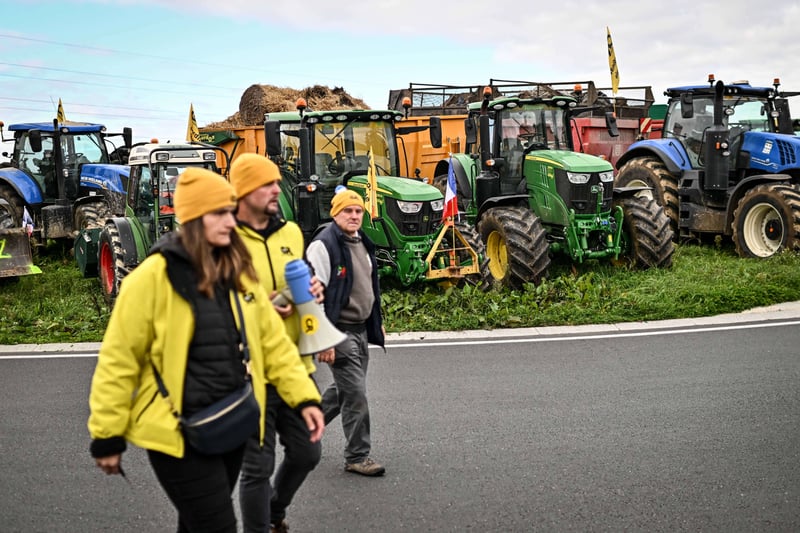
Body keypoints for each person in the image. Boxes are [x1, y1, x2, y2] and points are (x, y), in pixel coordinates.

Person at [87, 167, 325, 533]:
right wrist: (107, 433)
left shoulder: (237, 273)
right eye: (219, 213)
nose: (231, 221)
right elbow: (119, 361)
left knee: (197, 523)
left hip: (232, 422)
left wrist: (305, 399)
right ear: (194, 218)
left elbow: (274, 345)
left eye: (231, 211)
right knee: (216, 525)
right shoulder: (152, 278)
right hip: (179, 433)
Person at [230, 153, 322, 533]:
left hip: (295, 363)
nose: (275, 190)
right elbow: (211, 303)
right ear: (244, 191)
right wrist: (255, 308)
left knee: (308, 452)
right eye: (266, 184)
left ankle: (274, 511)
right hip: (248, 370)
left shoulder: (291, 233)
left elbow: (302, 280)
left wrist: (313, 292)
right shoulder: (224, 239)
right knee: (257, 467)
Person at [305, 187, 386, 477]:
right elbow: (312, 294)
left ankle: (304, 429)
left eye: (358, 211)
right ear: (334, 213)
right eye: (347, 211)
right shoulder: (323, 245)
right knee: (355, 396)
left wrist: (377, 321)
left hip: (361, 329)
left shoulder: (361, 240)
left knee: (342, 391)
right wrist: (322, 338)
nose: (353, 215)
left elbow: (369, 285)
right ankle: (357, 456)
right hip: (338, 333)